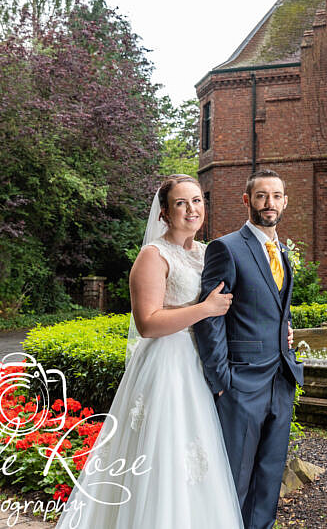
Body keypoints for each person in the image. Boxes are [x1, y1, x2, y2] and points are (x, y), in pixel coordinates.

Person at [55, 175, 243, 529]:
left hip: (202, 363)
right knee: (163, 453)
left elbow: (231, 308)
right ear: (164, 213)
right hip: (167, 364)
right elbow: (148, 323)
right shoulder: (153, 255)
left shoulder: (207, 253)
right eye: (181, 203)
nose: (192, 209)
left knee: (197, 457)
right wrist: (204, 308)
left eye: (197, 201)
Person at [194, 169, 303, 529]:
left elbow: (273, 309)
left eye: (276, 196)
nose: (269, 203)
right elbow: (208, 317)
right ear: (247, 201)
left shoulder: (282, 251)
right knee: (233, 481)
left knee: (268, 481)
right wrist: (222, 381)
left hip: (280, 380)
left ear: (285, 201)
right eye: (261, 196)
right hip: (241, 385)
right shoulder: (226, 248)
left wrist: (283, 333)